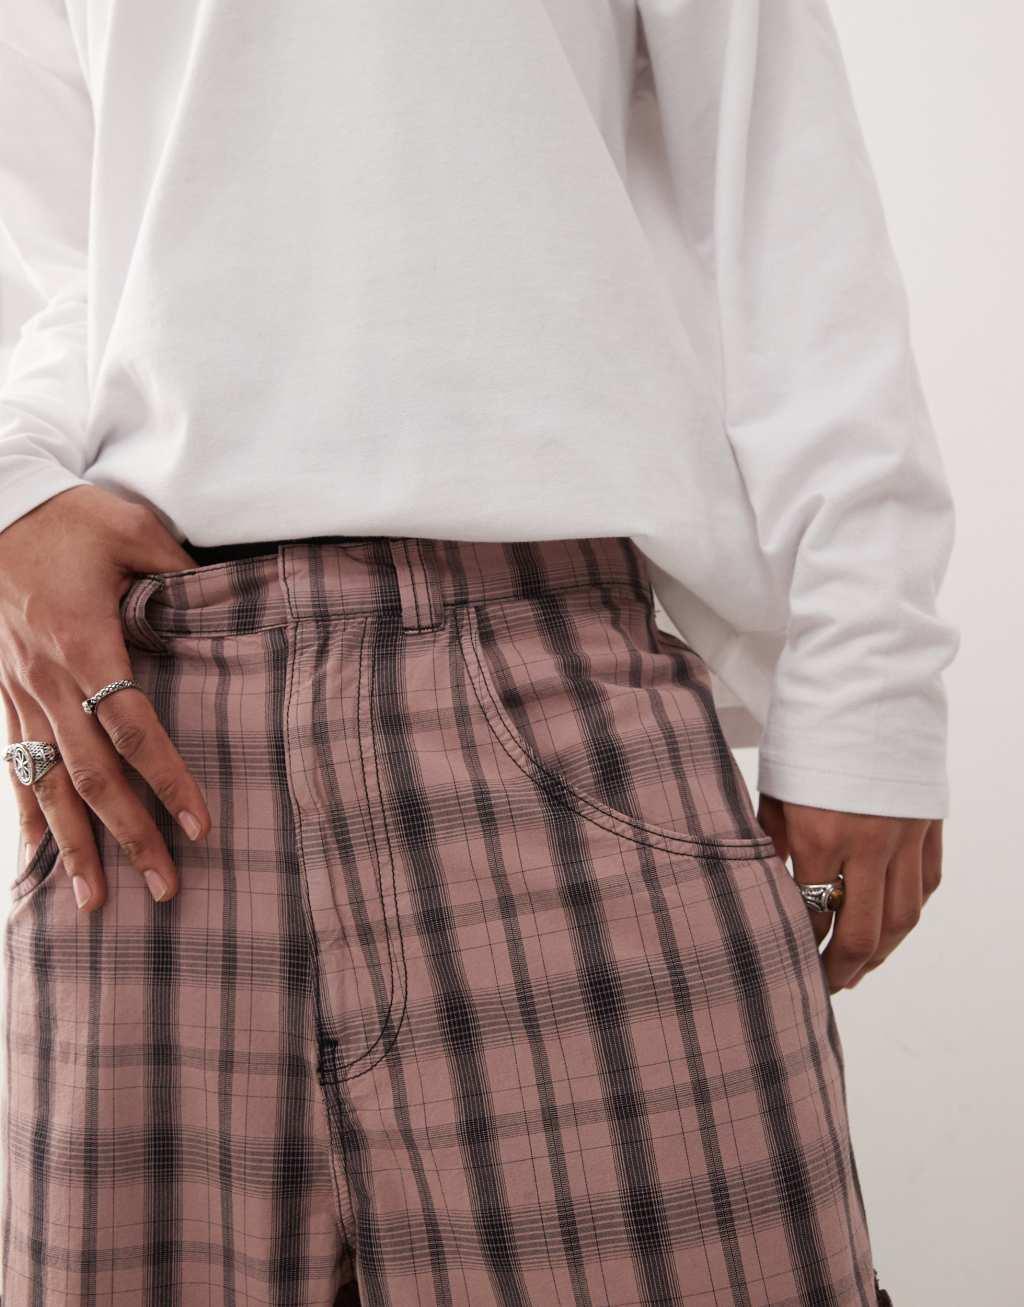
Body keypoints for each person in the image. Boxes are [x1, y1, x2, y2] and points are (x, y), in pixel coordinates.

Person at [0, 1, 954, 1303]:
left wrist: (869, 682)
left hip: (544, 690)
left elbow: (788, 204)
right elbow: (60, 252)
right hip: (148, 730)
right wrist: (13, 493)